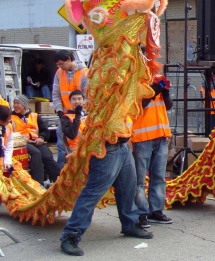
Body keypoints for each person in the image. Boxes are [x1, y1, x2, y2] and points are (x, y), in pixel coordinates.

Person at [59, 109, 152, 256]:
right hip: (106, 148)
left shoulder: (126, 90)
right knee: (92, 193)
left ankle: (130, 224)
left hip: (123, 146)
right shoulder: (107, 89)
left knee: (128, 188)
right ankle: (70, 235)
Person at [132, 75, 174, 228]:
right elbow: (136, 107)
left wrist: (166, 93)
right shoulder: (134, 82)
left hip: (161, 135)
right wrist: (152, 93)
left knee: (158, 177)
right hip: (142, 137)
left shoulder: (157, 80)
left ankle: (155, 211)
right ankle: (141, 213)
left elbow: (168, 106)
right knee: (139, 180)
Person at [11, 93, 60, 186]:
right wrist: (23, 140)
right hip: (21, 143)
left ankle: (59, 180)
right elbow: (10, 133)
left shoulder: (35, 116)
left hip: (36, 141)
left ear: (24, 105)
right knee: (36, 153)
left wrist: (42, 138)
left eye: (18, 103)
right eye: (14, 103)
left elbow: (45, 131)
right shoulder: (11, 117)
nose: (15, 106)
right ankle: (38, 183)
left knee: (47, 156)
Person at [52, 50, 89, 168]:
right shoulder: (59, 73)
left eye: (61, 64)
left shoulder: (84, 73)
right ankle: (61, 175)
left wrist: (81, 113)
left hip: (80, 116)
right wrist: (59, 111)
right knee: (62, 147)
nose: (59, 67)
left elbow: (88, 96)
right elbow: (56, 93)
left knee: (79, 145)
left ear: (69, 59)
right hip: (65, 115)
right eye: (58, 65)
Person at [58, 90, 86, 157]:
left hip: (89, 147)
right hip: (75, 151)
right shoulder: (66, 118)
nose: (77, 101)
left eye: (79, 99)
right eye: (74, 99)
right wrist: (77, 115)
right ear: (70, 102)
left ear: (83, 101)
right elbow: (72, 135)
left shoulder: (87, 116)